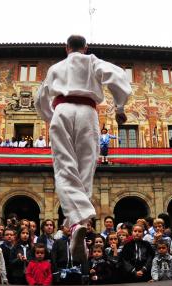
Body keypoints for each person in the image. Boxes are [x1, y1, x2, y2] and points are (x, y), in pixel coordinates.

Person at [34, 35, 131, 263]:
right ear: (85, 48)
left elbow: (40, 99)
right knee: (86, 168)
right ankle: (82, 222)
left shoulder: (55, 67)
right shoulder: (92, 61)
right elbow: (117, 76)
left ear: (66, 48)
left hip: (62, 111)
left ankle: (77, 221)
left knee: (65, 168)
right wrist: (119, 106)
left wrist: (53, 117)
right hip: (88, 112)